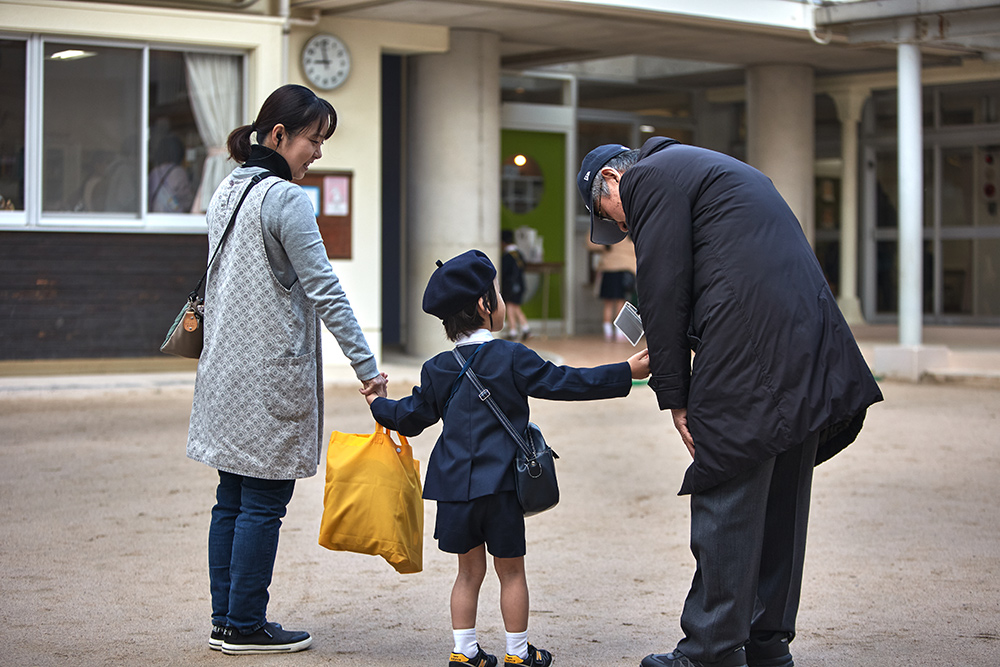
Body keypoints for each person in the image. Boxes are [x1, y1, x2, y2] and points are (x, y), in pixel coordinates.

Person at [576, 139, 883, 667]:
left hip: (750, 344)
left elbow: (664, 284)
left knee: (727, 485)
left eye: (612, 216)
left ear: (612, 178)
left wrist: (673, 396)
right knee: (782, 491)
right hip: (809, 336)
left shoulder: (649, 177)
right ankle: (768, 644)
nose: (623, 230)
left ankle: (710, 649)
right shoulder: (705, 169)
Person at [365, 249, 650, 667]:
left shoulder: (437, 368)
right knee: (511, 571)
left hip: (455, 490)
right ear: (485, 306)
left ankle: (464, 652)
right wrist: (625, 371)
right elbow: (565, 383)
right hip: (501, 486)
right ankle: (518, 654)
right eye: (494, 297)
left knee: (467, 573)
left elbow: (411, 417)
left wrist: (378, 404)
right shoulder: (513, 357)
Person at [186, 84, 388, 656]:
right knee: (263, 504)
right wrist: (367, 368)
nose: (318, 153)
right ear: (279, 135)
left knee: (231, 498)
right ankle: (246, 623)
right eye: (313, 140)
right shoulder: (287, 200)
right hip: (271, 376)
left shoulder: (226, 190)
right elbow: (325, 289)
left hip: (223, 371)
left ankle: (225, 619)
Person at [586, 235, 637, 341]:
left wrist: (605, 246)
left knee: (609, 302)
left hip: (609, 268)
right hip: (625, 269)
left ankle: (608, 331)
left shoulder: (607, 233)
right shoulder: (630, 231)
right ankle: (618, 331)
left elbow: (590, 242)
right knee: (620, 302)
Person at [148, 133, 194, 213]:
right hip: (173, 219)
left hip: (153, 216)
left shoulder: (153, 172)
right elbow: (188, 202)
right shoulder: (178, 172)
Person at [500, 229, 530, 340]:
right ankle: (526, 328)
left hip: (511, 286)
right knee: (516, 307)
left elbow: (503, 271)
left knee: (510, 307)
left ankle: (513, 331)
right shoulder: (519, 254)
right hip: (520, 285)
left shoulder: (507, 257)